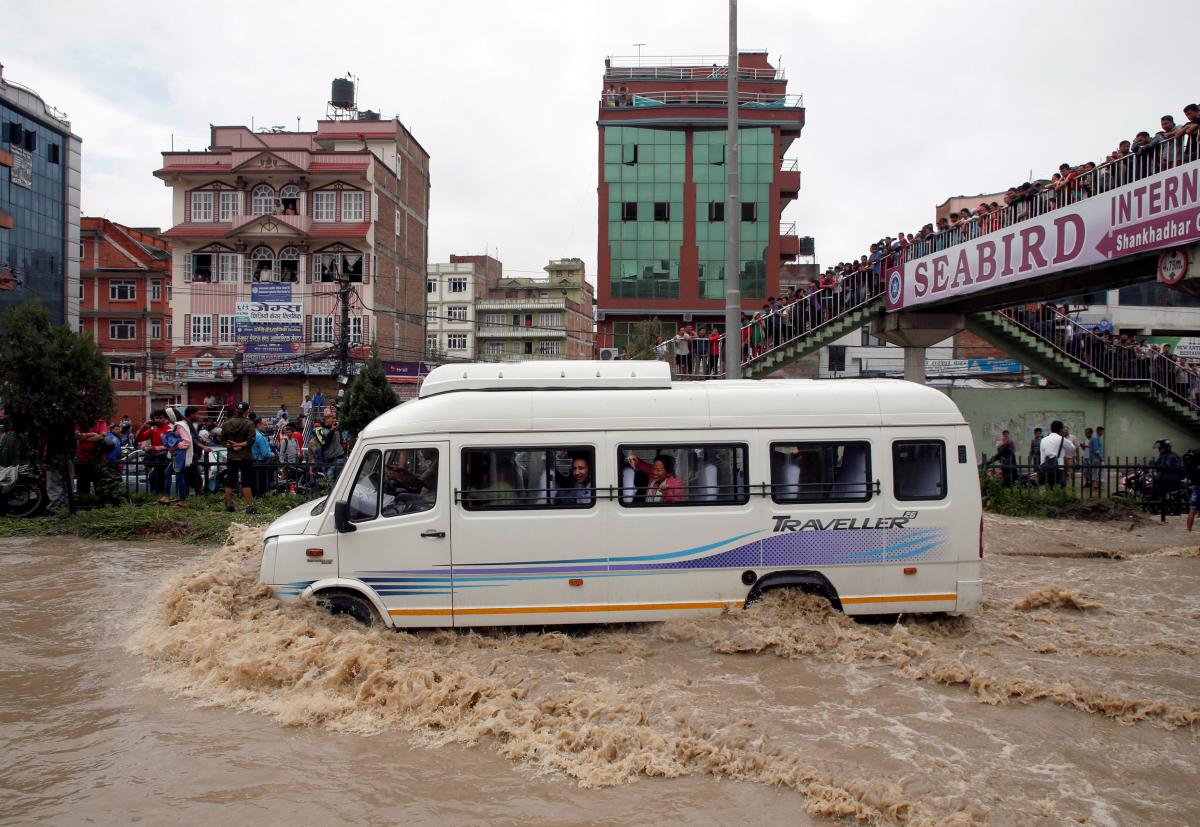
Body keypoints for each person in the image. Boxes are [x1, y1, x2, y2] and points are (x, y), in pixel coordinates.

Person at [222, 402, 257, 514]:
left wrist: (232, 445)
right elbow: (250, 441)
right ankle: (250, 506)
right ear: (246, 412)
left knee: (230, 481)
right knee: (246, 481)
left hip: (232, 456)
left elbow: (222, 440)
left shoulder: (227, 423)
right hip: (245, 456)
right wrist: (239, 445)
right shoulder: (249, 424)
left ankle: (229, 505)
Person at [1039, 420, 1075, 488]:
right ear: (1061, 430)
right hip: (1059, 469)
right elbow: (1072, 448)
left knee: (1049, 489)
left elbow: (1042, 456)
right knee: (1060, 490)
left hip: (1047, 469)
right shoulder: (1061, 439)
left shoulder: (1043, 440)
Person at [1087, 426, 1105, 491]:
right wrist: (1101, 458)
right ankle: (1099, 485)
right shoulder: (1095, 437)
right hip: (1096, 458)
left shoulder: (1095, 437)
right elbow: (1096, 450)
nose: (1102, 433)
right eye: (1101, 432)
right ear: (1098, 431)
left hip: (1094, 458)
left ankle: (1095, 485)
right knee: (1101, 470)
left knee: (1095, 471)